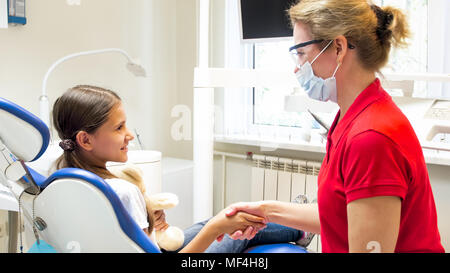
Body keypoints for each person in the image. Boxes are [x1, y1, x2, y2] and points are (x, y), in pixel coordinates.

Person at [224, 0, 445, 253]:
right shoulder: (351, 118)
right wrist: (266, 211)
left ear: (338, 47)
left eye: (300, 53)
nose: (297, 67)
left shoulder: (372, 137)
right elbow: (339, 215)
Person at [52, 85, 305, 253]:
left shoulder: (60, 181)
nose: (129, 135)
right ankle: (302, 227)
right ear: (85, 140)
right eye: (119, 128)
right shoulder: (123, 192)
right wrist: (216, 228)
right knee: (226, 223)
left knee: (209, 221)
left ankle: (299, 226)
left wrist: (148, 220)